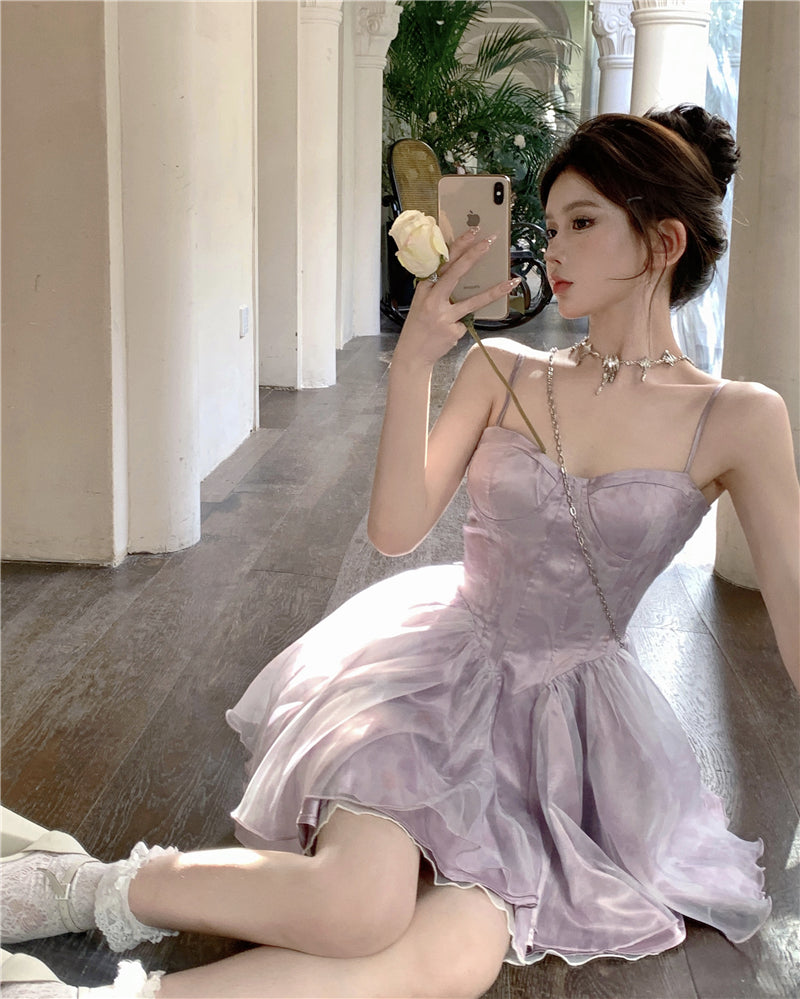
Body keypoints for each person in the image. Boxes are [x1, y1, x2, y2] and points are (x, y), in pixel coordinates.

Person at [2, 105, 798, 999]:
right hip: (440, 680)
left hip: (575, 743)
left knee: (458, 956)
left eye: (582, 223)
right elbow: (394, 530)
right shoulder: (504, 368)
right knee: (360, 903)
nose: (554, 250)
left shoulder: (739, 416)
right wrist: (415, 362)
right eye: (550, 226)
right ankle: (83, 887)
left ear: (664, 241)